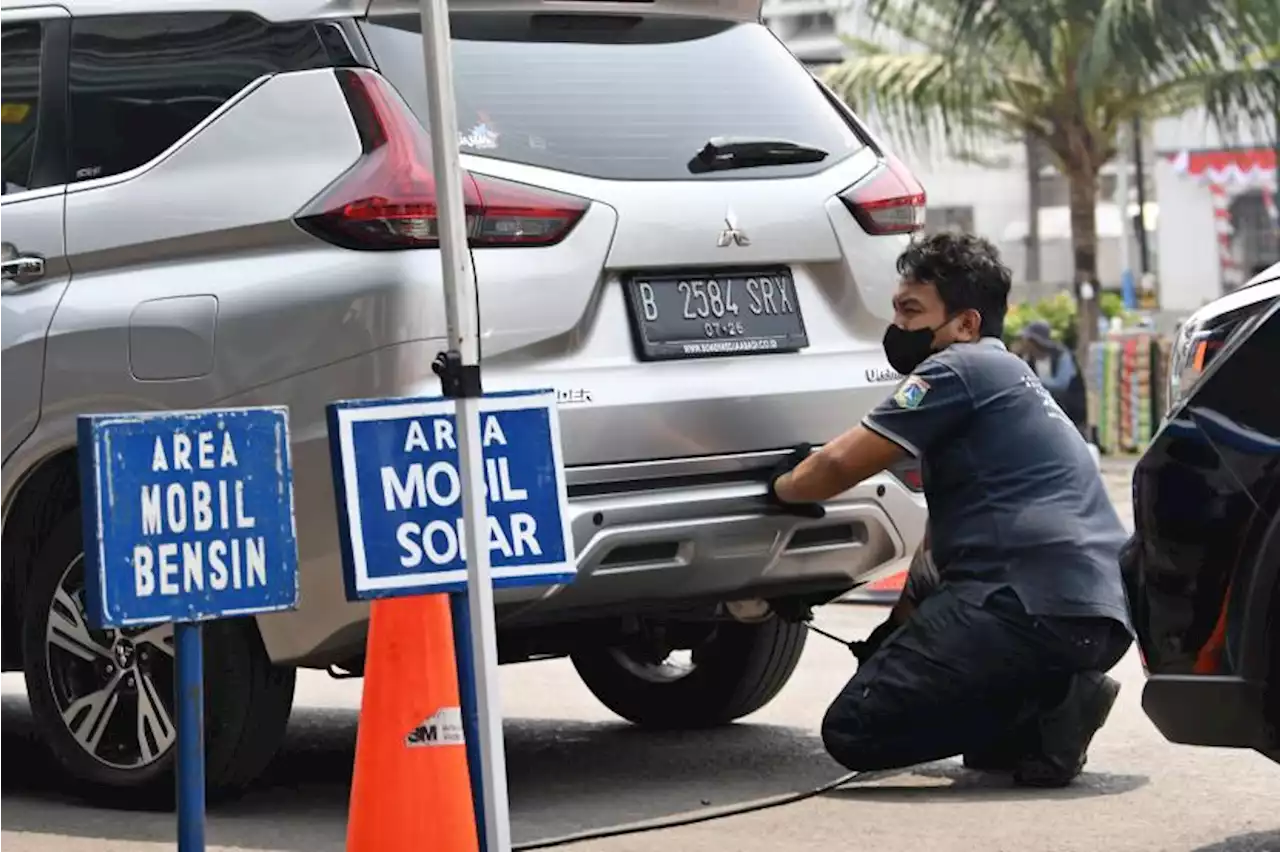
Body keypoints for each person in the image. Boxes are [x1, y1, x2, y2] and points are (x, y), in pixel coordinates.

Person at [766, 232, 1134, 788]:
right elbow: (935, 556)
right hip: (1093, 619)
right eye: (896, 309)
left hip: (1027, 608)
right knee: (985, 752)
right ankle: (1044, 714)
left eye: (912, 311)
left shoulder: (956, 369)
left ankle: (1052, 703)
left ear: (965, 323)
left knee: (855, 730)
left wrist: (781, 487)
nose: (899, 327)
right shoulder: (1008, 377)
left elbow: (837, 466)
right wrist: (892, 640)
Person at [1016, 319, 1089, 438]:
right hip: (1043, 417)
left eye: (1026, 339)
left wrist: (1034, 382)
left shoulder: (1062, 356)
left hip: (1069, 413)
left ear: (1034, 341)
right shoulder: (1026, 360)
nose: (1022, 343)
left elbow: (1061, 384)